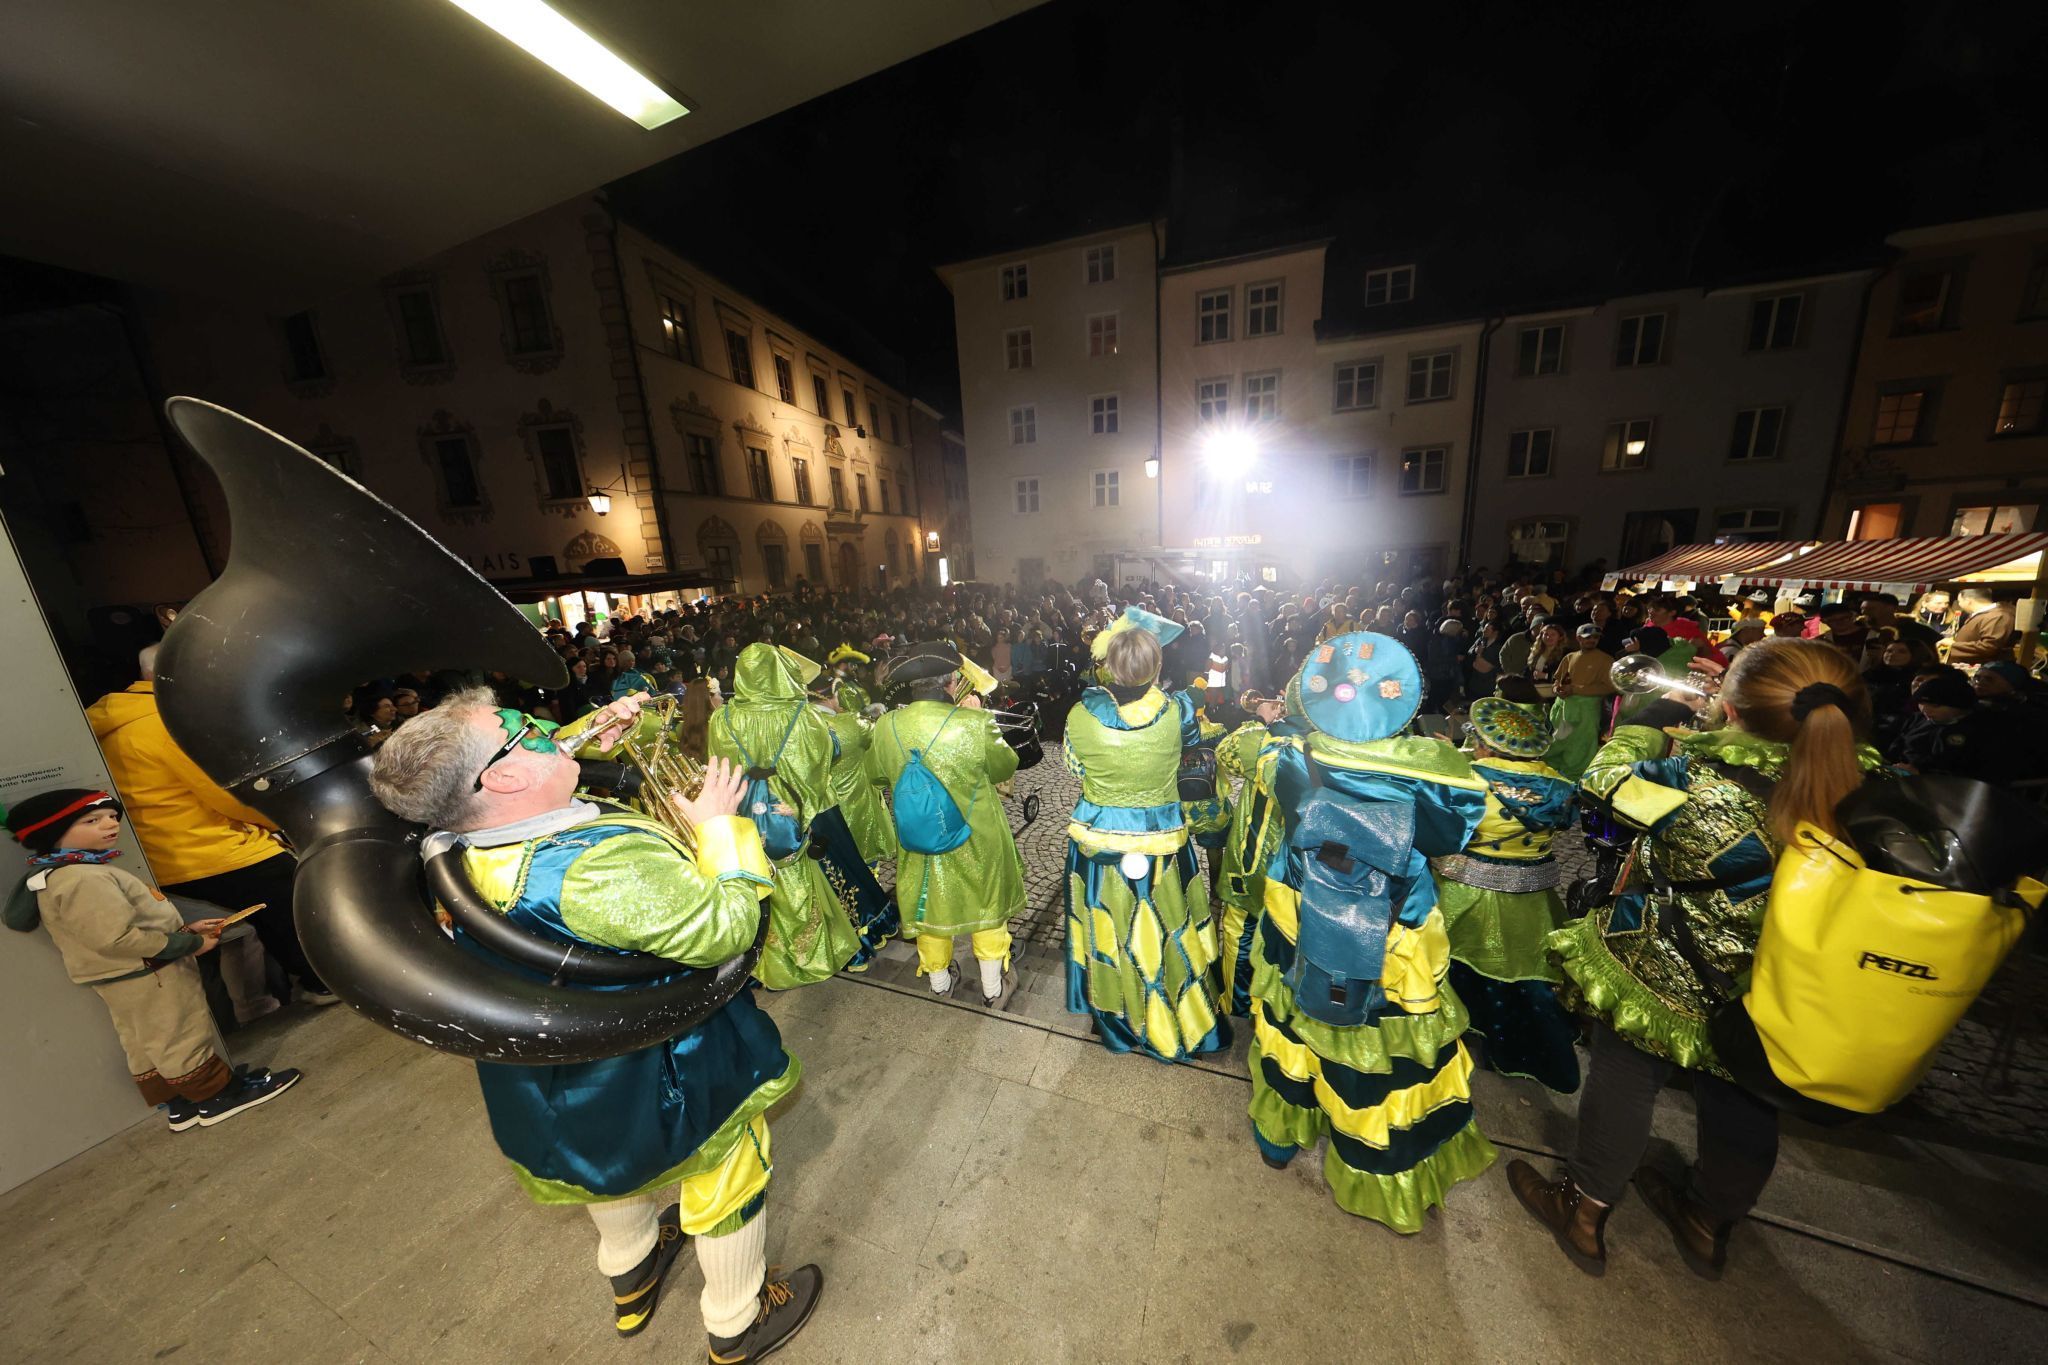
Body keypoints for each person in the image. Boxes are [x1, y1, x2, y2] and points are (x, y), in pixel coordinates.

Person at [366, 689, 821, 1352]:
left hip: (563, 1074)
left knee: (602, 1162)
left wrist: (593, 730)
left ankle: (633, 1271)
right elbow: (727, 928)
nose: (549, 726)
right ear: (504, 775)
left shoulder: (465, 838)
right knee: (731, 1166)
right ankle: (738, 1317)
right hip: (666, 1061)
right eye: (525, 727)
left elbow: (538, 762)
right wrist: (721, 824)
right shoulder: (594, 871)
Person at [1515, 640, 1885, 1278]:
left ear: (1736, 710)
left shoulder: (1694, 786)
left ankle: (1584, 1208)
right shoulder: (1873, 792)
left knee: (1625, 1083)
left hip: (1667, 969)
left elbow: (1603, 788)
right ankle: (1708, 1220)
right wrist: (1737, 715)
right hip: (1780, 992)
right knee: (1747, 1100)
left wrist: (1650, 723)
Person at [1242, 631, 1495, 1233]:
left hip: (1300, 909)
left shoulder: (1289, 759)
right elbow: (1451, 837)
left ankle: (1282, 1129)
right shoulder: (1438, 778)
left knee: (1293, 1014)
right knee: (1380, 1039)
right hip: (1393, 926)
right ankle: (1378, 1166)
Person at [5, 788, 301, 1129]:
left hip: (122, 975)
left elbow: (118, 931)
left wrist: (185, 930)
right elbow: (116, 938)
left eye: (113, 818)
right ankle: (218, 1096)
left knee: (144, 1041)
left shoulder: (59, 875)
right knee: (179, 1032)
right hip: (150, 971)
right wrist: (189, 945)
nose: (110, 825)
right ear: (51, 832)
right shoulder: (85, 878)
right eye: (92, 820)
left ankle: (179, 1101)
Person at [86, 645, 338, 1007]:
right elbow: (225, 796)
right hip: (205, 852)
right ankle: (319, 982)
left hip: (159, 858)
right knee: (298, 887)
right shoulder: (164, 725)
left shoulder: (109, 722)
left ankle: (277, 994)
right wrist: (284, 819)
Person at [1061, 609, 1230, 1061]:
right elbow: (1192, 749)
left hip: (1098, 842)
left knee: (1109, 928)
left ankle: (1114, 1015)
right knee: (1164, 925)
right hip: (1162, 842)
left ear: (1109, 665)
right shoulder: (1178, 711)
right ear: (1157, 666)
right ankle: (1173, 1010)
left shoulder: (1079, 715)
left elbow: (1074, 767)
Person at [866, 641, 1027, 1003]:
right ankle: (992, 986)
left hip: (920, 836)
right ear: (952, 682)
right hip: (978, 834)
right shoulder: (975, 721)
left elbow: (874, 775)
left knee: (928, 904)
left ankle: (939, 983)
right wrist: (978, 716)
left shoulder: (886, 725)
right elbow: (1005, 765)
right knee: (986, 905)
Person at [1433, 699, 1580, 1093]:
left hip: (1466, 892)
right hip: (1533, 897)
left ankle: (1452, 1036)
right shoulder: (1560, 785)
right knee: (1524, 974)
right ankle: (1520, 1051)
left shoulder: (1468, 779)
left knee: (1451, 963)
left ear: (1484, 743)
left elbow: (1444, 827)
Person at [709, 645, 873, 986]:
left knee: (763, 884)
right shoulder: (804, 716)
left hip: (747, 821)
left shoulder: (721, 718)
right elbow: (821, 762)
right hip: (804, 819)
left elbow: (721, 768)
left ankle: (769, 959)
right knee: (821, 882)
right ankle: (821, 951)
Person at [1212, 692, 1286, 1017]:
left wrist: (1262, 719)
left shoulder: (1268, 742)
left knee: (1240, 932)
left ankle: (1235, 1005)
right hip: (1303, 869)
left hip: (1258, 862)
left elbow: (1225, 751)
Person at [808, 675, 899, 867]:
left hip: (817, 819)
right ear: (832, 695)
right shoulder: (853, 724)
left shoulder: (797, 724)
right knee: (866, 878)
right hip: (858, 815)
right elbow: (884, 742)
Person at [1548, 623, 1615, 781]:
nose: (1592, 640)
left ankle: (1574, 777)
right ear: (1578, 638)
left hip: (1587, 711)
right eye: (1588, 637)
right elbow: (1558, 680)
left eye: (1595, 638)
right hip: (1564, 707)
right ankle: (1551, 770)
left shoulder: (1606, 660)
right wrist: (1558, 689)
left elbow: (1609, 687)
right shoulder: (1570, 657)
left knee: (1582, 745)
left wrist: (1576, 689)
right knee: (1558, 741)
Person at [1944, 588, 2017, 664]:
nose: (1959, 605)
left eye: (1959, 601)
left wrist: (1953, 645)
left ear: (1968, 601)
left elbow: (1989, 646)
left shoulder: (1998, 616)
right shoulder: (1986, 614)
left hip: (1987, 667)